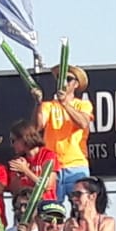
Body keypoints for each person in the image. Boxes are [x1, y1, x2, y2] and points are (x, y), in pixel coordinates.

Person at [34, 64, 93, 201]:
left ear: (76, 84)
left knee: (81, 210)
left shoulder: (83, 104)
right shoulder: (48, 105)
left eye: (68, 79)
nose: (64, 82)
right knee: (52, 211)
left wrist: (65, 103)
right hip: (52, 166)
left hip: (76, 165)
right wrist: (37, 103)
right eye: (61, 78)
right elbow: (38, 127)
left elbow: (83, 123)